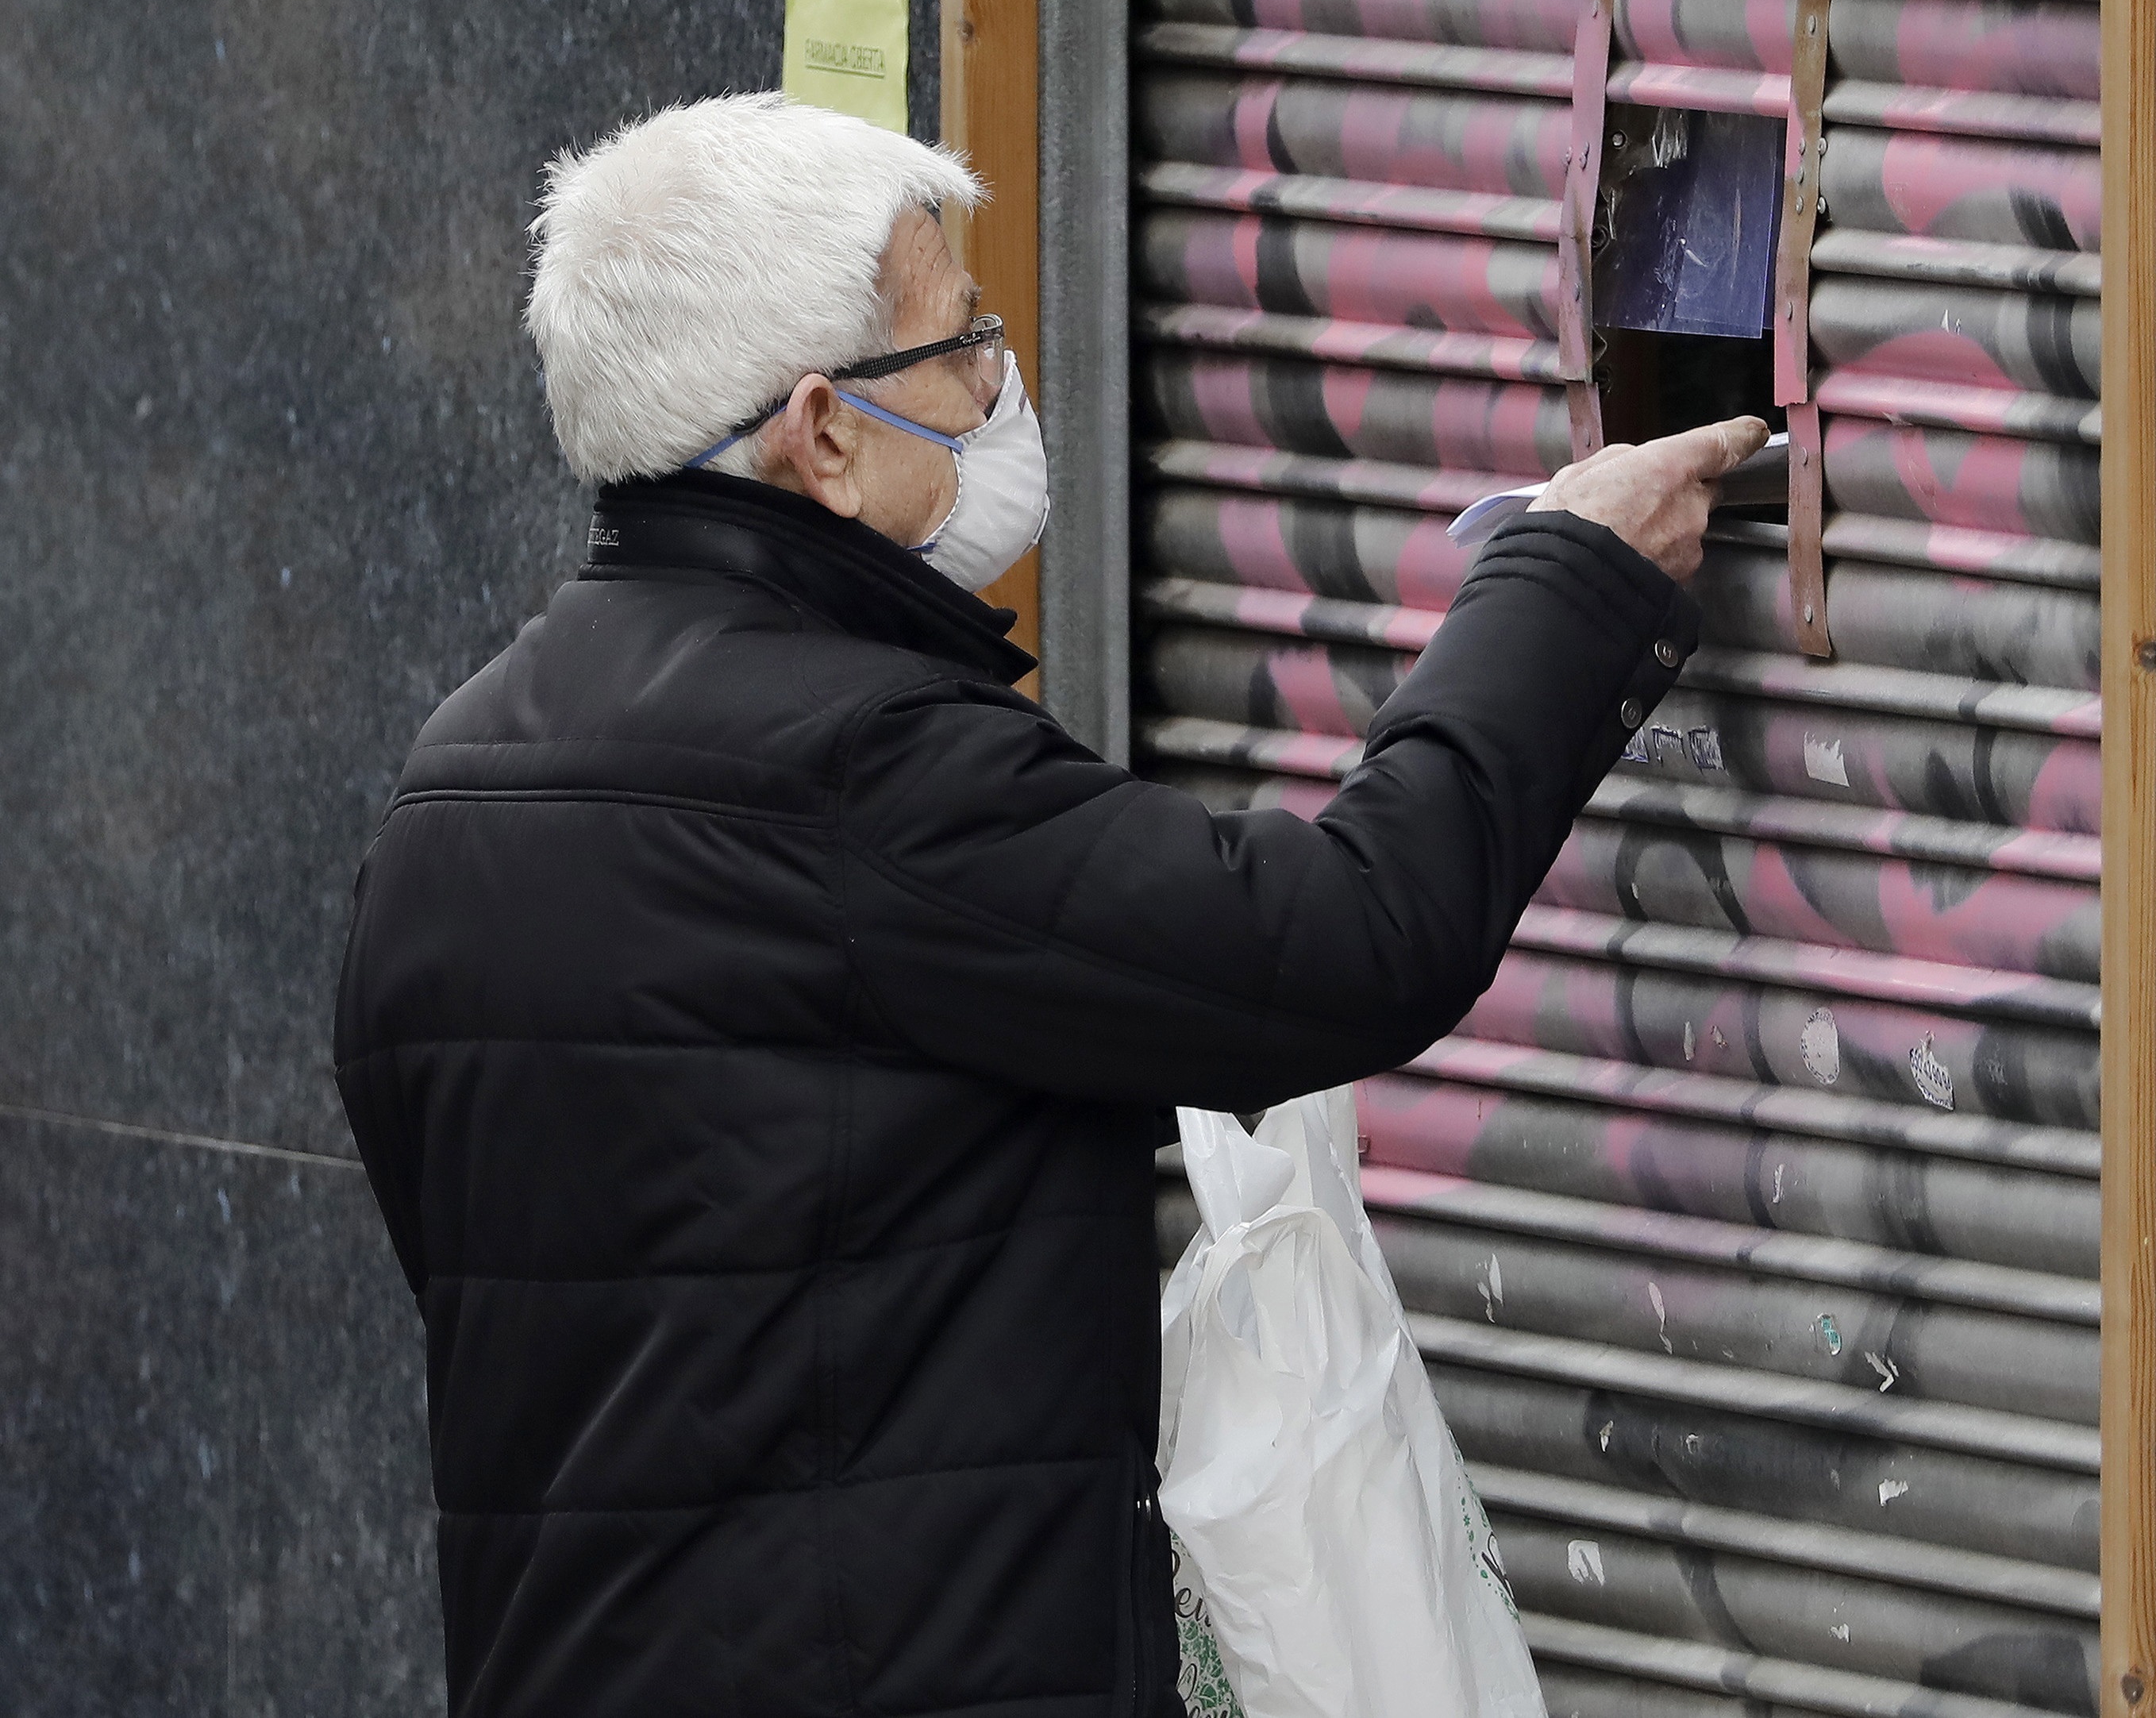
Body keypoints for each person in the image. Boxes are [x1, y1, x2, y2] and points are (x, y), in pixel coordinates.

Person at [333, 92, 1766, 1718]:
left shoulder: (448, 797)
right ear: (821, 431)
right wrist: (1566, 582)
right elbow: (1342, 939)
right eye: (960, 345)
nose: (1002, 382)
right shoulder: (851, 771)